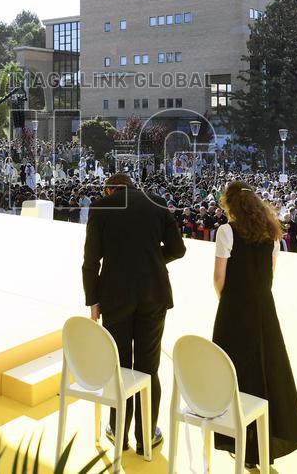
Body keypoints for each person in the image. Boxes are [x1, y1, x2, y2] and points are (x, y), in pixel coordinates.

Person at [82, 173, 186, 455]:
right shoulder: (157, 201)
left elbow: (91, 260)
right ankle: (146, 436)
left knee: (120, 367)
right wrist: (151, 259)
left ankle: (118, 432)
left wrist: (92, 300)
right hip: (154, 293)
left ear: (109, 189)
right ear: (133, 187)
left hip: (114, 296)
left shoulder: (102, 207)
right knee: (148, 366)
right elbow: (179, 249)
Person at [212, 181, 297, 469]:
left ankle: (238, 439)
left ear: (231, 205)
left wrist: (228, 303)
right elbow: (270, 276)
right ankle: (263, 445)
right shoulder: (272, 234)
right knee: (267, 372)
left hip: (233, 310)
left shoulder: (226, 231)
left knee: (236, 373)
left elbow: (219, 279)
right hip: (265, 311)